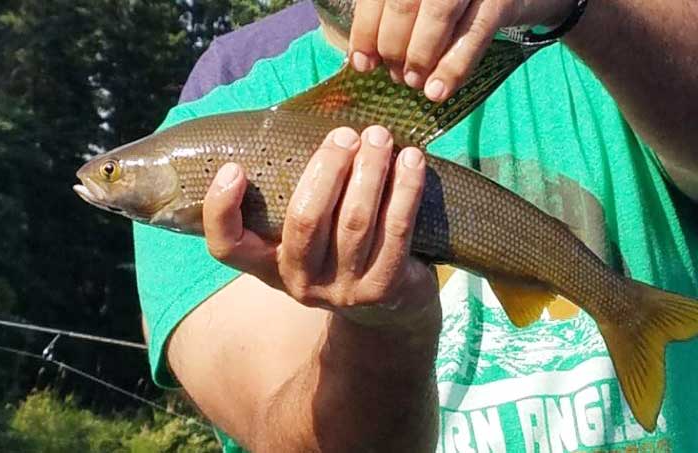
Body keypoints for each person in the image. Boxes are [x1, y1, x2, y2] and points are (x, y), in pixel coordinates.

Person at [135, 0, 698, 451]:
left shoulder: (621, 33)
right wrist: (385, 330)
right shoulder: (210, 112)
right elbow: (286, 437)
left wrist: (585, 7)